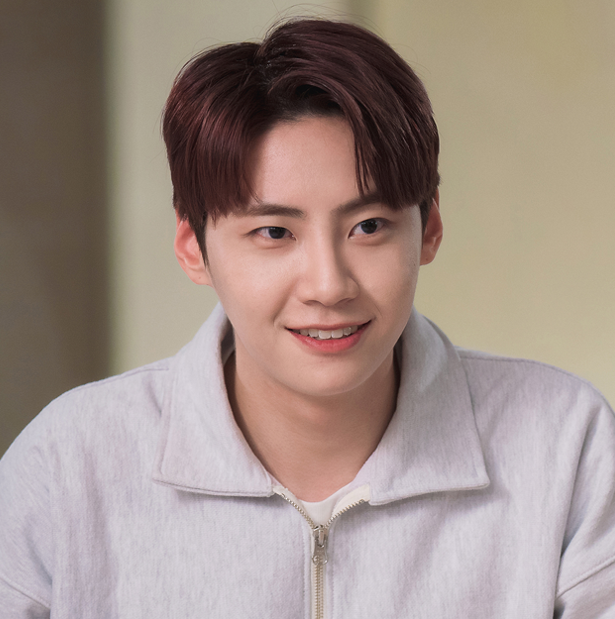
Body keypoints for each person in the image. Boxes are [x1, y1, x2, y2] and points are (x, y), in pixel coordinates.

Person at [1, 18, 614, 619]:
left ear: (429, 228)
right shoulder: (68, 464)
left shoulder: (565, 445)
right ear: (193, 249)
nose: (328, 285)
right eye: (274, 232)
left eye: (368, 226)